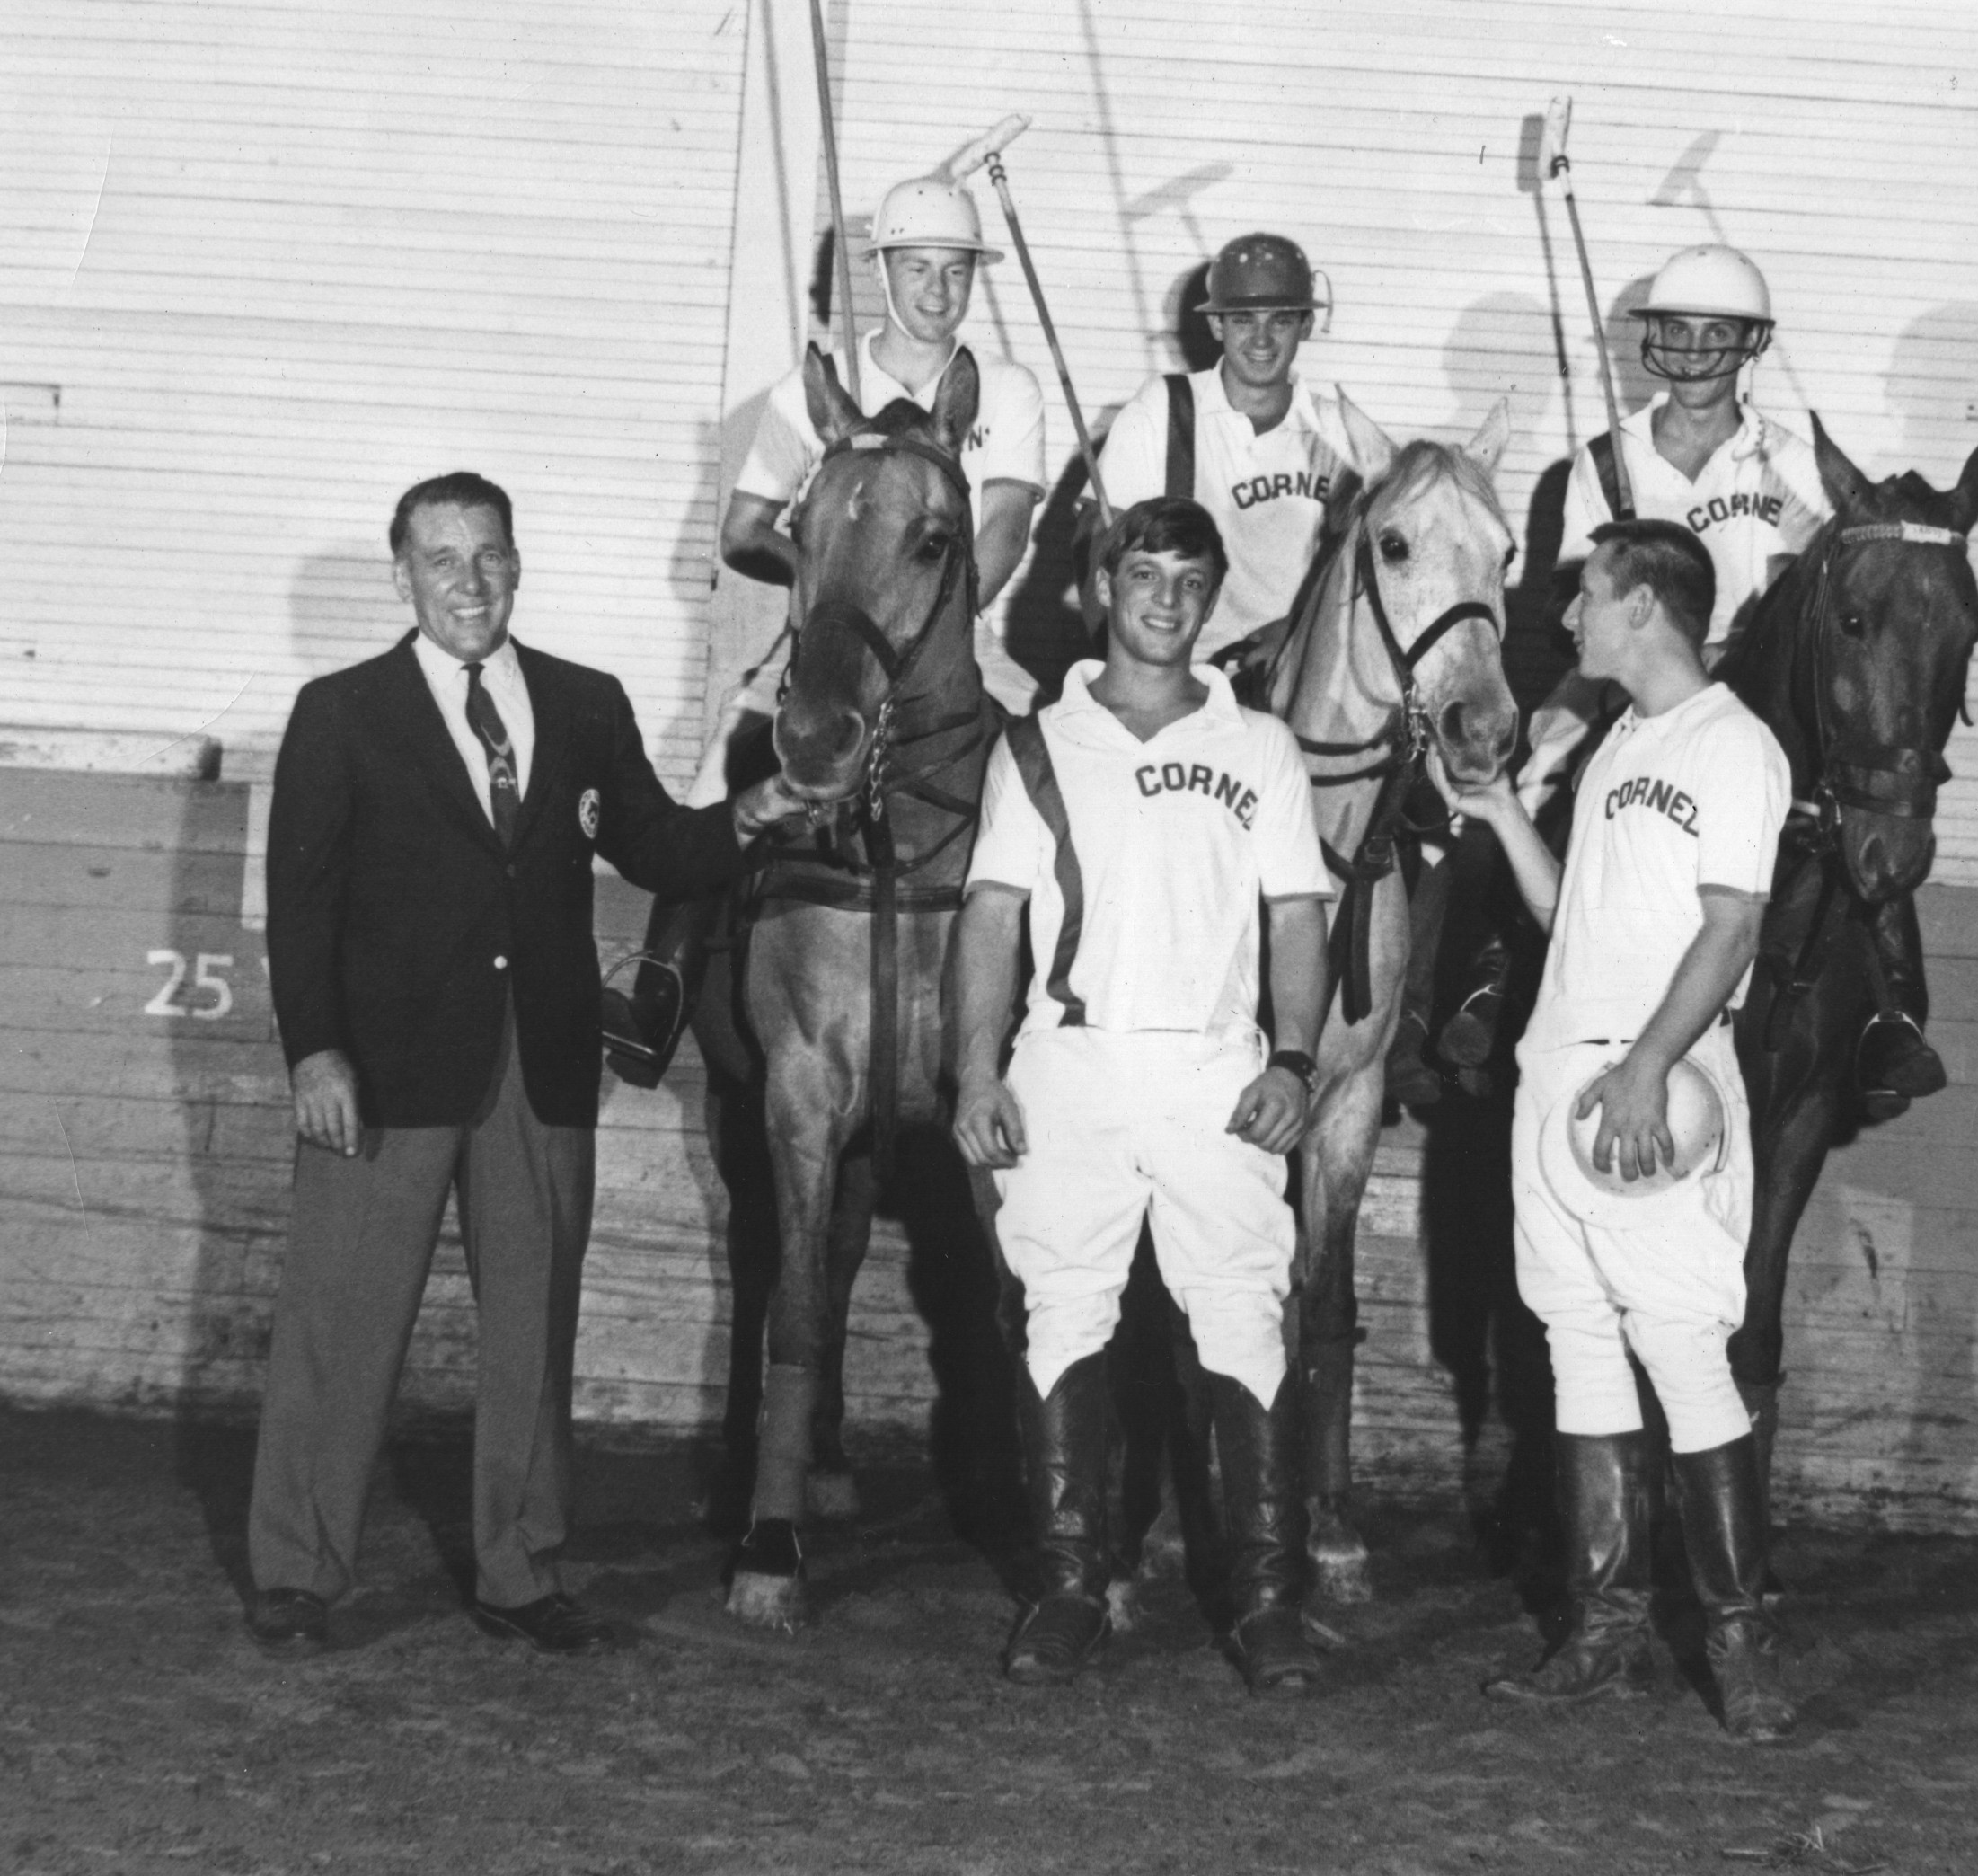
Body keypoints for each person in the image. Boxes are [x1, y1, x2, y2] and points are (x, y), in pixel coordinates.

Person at [246, 473, 798, 1656]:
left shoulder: (587, 703)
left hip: (539, 1070)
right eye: (442, 559)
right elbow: (300, 907)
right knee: (338, 1322)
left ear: (517, 560)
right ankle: (298, 1569)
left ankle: (520, 1568)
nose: (470, 581)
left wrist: (764, 809)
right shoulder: (340, 711)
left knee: (532, 1329)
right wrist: (316, 1053)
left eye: (488, 553)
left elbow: (661, 847)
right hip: (381, 1074)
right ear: (405, 577)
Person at [950, 496, 1334, 1697]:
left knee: (1242, 1317)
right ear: (1098, 591)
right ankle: (1071, 1585)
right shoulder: (1035, 743)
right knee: (1063, 1312)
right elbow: (992, 915)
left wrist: (1295, 1061)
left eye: (1188, 580)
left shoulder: (1259, 745)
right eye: (1143, 575)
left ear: (1211, 599)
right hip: (1073, 1063)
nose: (1164, 599)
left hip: (1216, 1067)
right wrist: (973, 1069)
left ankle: (1268, 1601)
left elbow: (1297, 919)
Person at [1445, 519, 1797, 1743]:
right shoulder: (1618, 743)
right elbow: (1572, 915)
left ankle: (1744, 1645)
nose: (1570, 621)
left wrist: (1651, 1064)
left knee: (1682, 1349)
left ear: (1645, 605)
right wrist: (1497, 812)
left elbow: (1732, 928)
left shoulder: (1732, 744)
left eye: (1587, 599)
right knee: (1580, 1342)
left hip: (1655, 1083)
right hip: (1561, 1074)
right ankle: (1602, 1633)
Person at [1469, 243, 1941, 1114]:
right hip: (1634, 686)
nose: (1691, 354)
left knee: (1860, 804)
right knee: (1536, 770)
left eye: (1714, 335)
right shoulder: (1599, 467)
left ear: (1749, 346)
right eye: (1675, 333)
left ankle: (1890, 1010)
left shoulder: (1795, 464)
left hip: (1767, 700)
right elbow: (1577, 606)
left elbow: (1847, 605)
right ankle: (1492, 971)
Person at [600, 171, 1047, 1087]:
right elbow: (741, 531)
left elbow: (1004, 525)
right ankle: (662, 982)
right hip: (833, 641)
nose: (937, 288)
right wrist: (834, 582)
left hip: (958, 638)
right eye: (918, 268)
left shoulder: (1002, 389)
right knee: (723, 759)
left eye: (955, 270)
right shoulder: (812, 392)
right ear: (884, 271)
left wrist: (933, 623)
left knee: (1066, 759)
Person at [1094, 232, 1365, 665]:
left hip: (1303, 669)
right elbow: (1098, 542)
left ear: (1306, 325)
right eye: (1243, 320)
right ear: (1217, 324)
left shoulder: (1339, 430)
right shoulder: (1166, 407)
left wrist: (1297, 633)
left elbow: (1373, 570)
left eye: (1279, 321)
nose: (1262, 340)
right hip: (1185, 674)